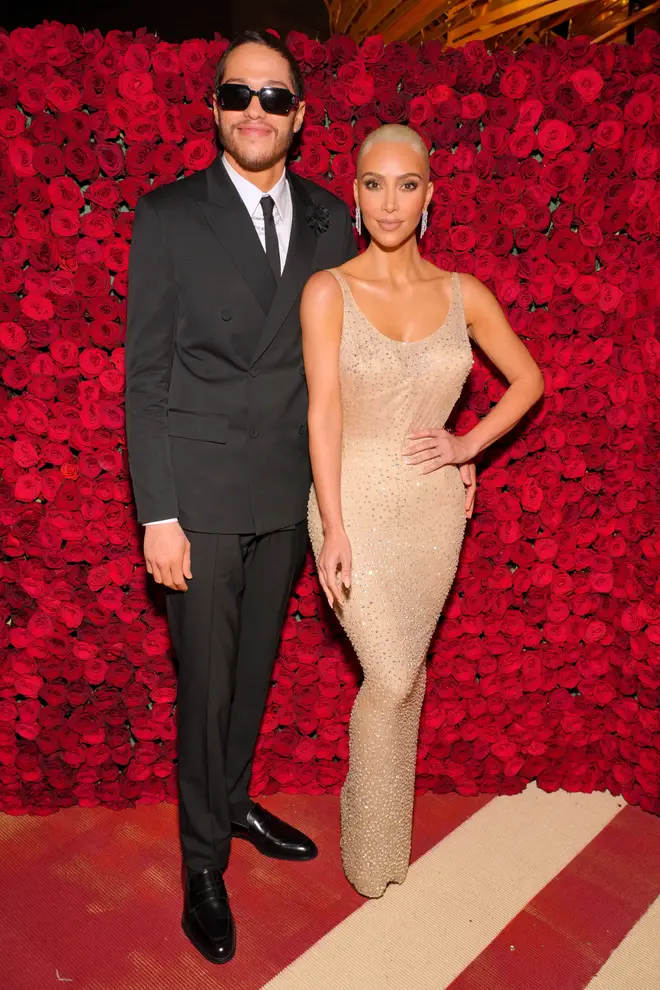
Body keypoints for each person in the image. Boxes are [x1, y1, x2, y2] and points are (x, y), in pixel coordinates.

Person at [124, 31, 361, 964]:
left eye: (274, 97)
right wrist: (159, 512)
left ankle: (229, 802)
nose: (254, 111)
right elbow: (145, 375)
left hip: (287, 491)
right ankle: (203, 862)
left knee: (254, 671)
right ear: (214, 109)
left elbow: (345, 366)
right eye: (238, 95)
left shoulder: (331, 220)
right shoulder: (170, 215)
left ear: (300, 117)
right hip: (203, 496)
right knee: (208, 685)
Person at [302, 124, 545, 899]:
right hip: (353, 500)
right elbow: (324, 414)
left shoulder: (462, 293)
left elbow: (529, 381)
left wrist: (468, 446)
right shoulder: (328, 290)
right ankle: (366, 844)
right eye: (375, 183)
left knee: (405, 678)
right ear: (355, 194)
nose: (390, 200)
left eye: (408, 184)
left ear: (431, 196)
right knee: (392, 666)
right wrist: (335, 526)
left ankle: (386, 832)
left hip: (433, 510)